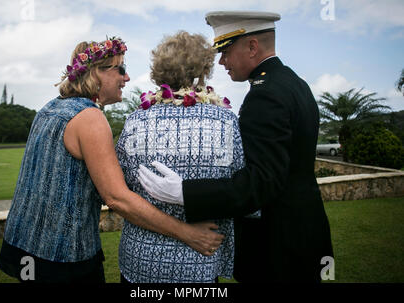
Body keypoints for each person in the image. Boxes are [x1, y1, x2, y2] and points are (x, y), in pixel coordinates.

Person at [0, 36, 224, 283]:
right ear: (95, 73)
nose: (126, 78)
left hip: (22, 247)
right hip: (63, 258)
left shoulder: (49, 109)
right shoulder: (90, 118)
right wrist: (188, 233)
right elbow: (117, 198)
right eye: (121, 69)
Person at [138, 12, 334, 282]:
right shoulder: (293, 83)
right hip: (305, 232)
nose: (222, 61)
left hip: (279, 245)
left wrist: (185, 192)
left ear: (252, 47)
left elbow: (261, 182)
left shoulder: (265, 95)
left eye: (226, 51)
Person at [116, 31, 245, 283]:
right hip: (200, 260)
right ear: (203, 69)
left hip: (141, 260)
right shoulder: (226, 121)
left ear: (159, 70)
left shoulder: (135, 121)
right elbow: (242, 190)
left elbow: (121, 190)